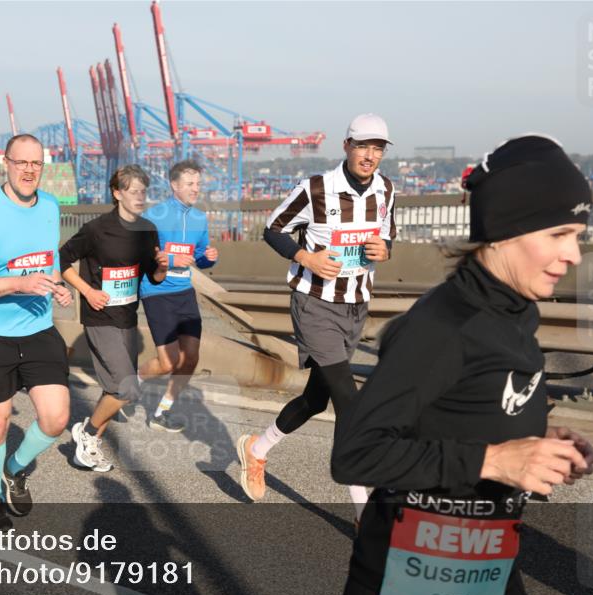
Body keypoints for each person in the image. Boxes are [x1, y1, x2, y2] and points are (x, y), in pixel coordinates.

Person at [331, 134, 593, 595]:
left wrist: (540, 443)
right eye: (560, 234)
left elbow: (468, 410)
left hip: (485, 573)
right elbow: (356, 455)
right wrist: (497, 459)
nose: (574, 253)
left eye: (579, 235)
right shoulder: (443, 326)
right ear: (504, 231)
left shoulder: (516, 311)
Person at [236, 113, 396, 512]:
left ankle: (256, 449)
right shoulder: (316, 188)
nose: (370, 155)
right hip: (315, 304)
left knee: (316, 400)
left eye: (377, 148)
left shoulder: (386, 189)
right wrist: (305, 256)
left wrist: (386, 249)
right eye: (362, 146)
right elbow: (272, 228)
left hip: (356, 304)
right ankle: (365, 513)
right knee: (349, 402)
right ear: (346, 146)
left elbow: (387, 234)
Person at [0, 134, 74, 531]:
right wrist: (17, 285)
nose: (28, 170)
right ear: (5, 164)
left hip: (38, 327)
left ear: (43, 167)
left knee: (56, 418)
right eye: (21, 162)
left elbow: (48, 261)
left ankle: (15, 469)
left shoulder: (51, 206)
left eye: (36, 164)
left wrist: (58, 287)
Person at [60, 165, 168, 471]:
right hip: (99, 317)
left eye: (143, 191)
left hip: (128, 318)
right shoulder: (96, 229)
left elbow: (153, 277)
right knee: (127, 389)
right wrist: (87, 292)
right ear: (117, 193)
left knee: (114, 389)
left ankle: (87, 448)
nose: (140, 196)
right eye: (133, 191)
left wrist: (161, 266)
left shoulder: (147, 230)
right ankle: (88, 432)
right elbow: (62, 259)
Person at [137, 160, 219, 432]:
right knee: (167, 362)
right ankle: (126, 385)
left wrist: (208, 258)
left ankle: (162, 412)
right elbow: (143, 255)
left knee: (191, 357)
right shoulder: (154, 216)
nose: (196, 189)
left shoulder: (198, 218)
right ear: (174, 186)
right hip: (157, 292)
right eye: (189, 184)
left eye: (198, 184)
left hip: (185, 292)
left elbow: (198, 258)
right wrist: (172, 258)